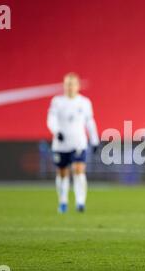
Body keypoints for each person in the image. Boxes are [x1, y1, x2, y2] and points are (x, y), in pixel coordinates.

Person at [47, 72, 100, 213]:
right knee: (62, 173)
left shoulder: (85, 102)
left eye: (72, 84)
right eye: (67, 84)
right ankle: (63, 201)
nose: (69, 87)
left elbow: (90, 122)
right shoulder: (57, 101)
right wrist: (57, 132)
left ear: (78, 86)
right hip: (61, 144)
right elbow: (51, 120)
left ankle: (80, 202)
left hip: (78, 142)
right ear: (64, 86)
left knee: (78, 171)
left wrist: (94, 140)